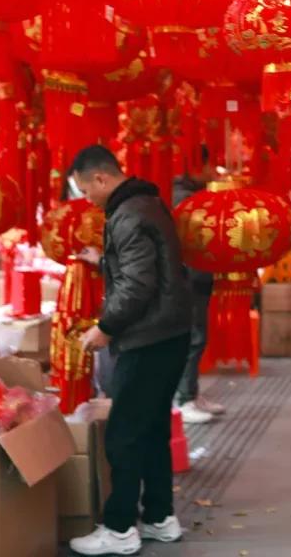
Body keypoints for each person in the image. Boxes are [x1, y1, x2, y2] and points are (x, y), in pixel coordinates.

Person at [68, 145, 192, 556]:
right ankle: (159, 517)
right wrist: (102, 258)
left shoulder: (129, 214)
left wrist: (105, 328)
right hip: (169, 333)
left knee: (123, 434)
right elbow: (143, 264)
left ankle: (119, 527)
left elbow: (138, 285)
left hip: (147, 337)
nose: (88, 199)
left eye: (87, 191)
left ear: (102, 179)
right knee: (152, 428)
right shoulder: (145, 203)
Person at [172, 146, 222, 424]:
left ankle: (190, 393)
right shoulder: (185, 200)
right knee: (193, 337)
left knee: (197, 336)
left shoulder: (192, 196)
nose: (212, 171)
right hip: (189, 278)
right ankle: (184, 399)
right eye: (208, 165)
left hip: (196, 276)